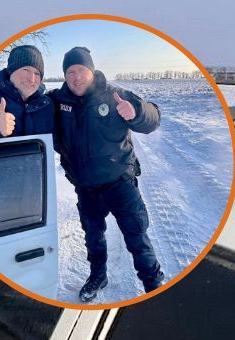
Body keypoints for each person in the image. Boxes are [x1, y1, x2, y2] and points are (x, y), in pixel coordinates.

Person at [48, 46, 164, 301]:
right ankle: (98, 276)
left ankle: (154, 285)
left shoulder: (114, 95)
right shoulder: (57, 102)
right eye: (70, 72)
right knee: (93, 238)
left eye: (81, 70)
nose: (76, 77)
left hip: (119, 183)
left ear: (91, 70)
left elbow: (153, 117)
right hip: (86, 187)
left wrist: (136, 112)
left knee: (137, 238)